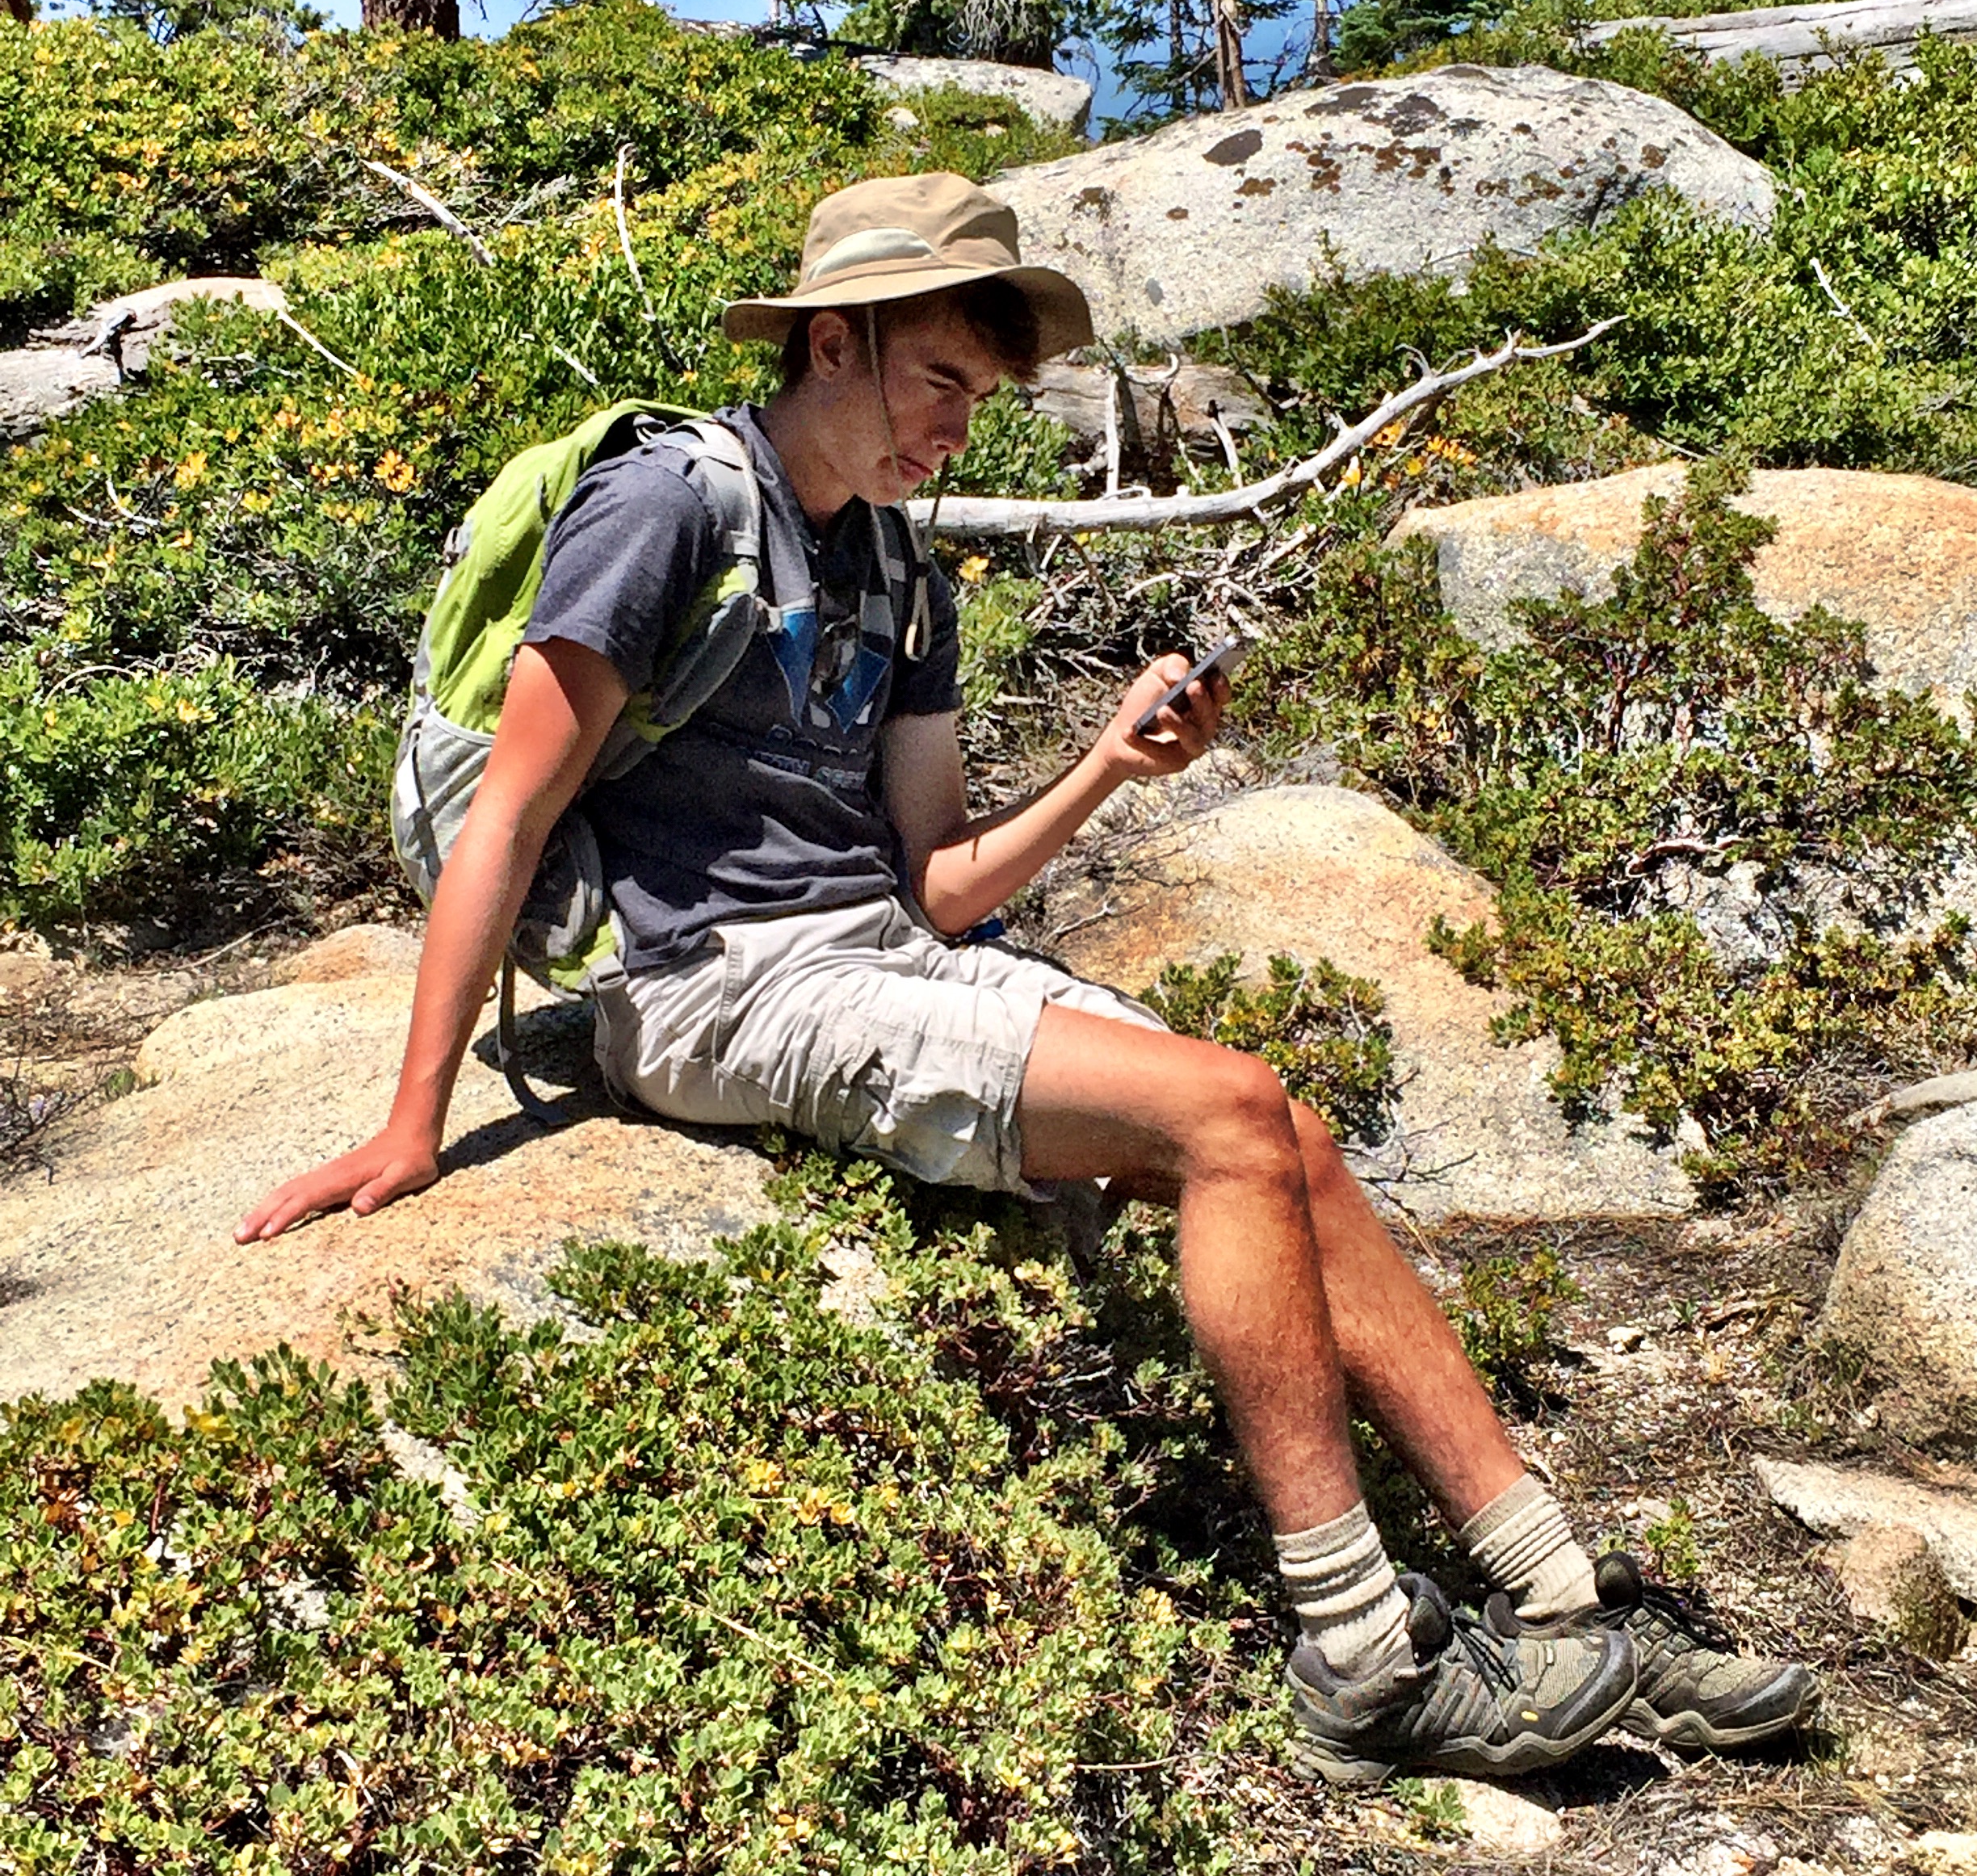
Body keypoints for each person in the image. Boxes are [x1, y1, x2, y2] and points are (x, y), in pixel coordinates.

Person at [237, 173, 1817, 1786]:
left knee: (1281, 1130)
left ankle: (1562, 1599)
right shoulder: (669, 507)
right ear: (833, 343)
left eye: (979, 398)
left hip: (872, 946)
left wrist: (1107, 768)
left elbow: (933, 879)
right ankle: (1358, 1655)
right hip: (710, 983)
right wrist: (413, 1121)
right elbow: (510, 807)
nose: (956, 430)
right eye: (938, 382)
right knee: (1220, 1113)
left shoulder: (901, 570)